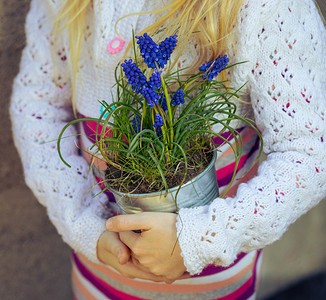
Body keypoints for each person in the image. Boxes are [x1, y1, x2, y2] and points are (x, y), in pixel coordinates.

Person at [10, 0, 326, 299]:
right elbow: (37, 104)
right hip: (101, 271)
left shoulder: (263, 9)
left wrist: (201, 239)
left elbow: (310, 151)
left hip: (211, 279)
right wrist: (82, 223)